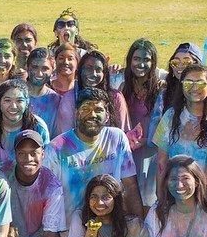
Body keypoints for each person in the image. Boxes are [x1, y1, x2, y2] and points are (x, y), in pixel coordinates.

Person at [43, 88, 143, 219]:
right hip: (70, 229)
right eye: (85, 109)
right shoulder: (56, 148)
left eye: (98, 110)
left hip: (111, 224)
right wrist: (54, 236)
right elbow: (49, 198)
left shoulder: (116, 138)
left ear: (107, 116)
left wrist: (139, 223)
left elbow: (130, 185)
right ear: (76, 113)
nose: (92, 115)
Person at [154, 64, 207, 199]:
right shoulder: (170, 115)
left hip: (204, 197)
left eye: (200, 83)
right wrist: (161, 196)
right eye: (188, 82)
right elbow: (162, 162)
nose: (194, 87)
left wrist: (200, 203)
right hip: (173, 192)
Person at [119, 39, 164, 208]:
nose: (141, 64)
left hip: (152, 152)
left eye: (146, 59)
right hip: (129, 152)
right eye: (137, 59)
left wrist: (148, 141)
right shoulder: (124, 87)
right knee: (127, 198)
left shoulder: (160, 89)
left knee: (148, 199)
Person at [0, 79, 50, 167]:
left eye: (19, 101)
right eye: (7, 100)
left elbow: (46, 162)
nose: (13, 106)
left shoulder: (38, 127)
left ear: (27, 103)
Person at [76, 49, 130, 132]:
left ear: (104, 73)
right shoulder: (71, 97)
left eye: (98, 70)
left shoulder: (115, 97)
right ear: (80, 71)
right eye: (88, 68)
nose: (93, 74)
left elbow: (123, 132)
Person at [24, 47, 61, 138]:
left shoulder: (57, 101)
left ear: (53, 71)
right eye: (35, 67)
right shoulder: (15, 93)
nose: (39, 73)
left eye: (45, 68)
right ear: (27, 67)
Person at [52, 43, 81, 135]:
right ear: (55, 62)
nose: (65, 62)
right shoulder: (47, 87)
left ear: (77, 63)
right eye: (61, 58)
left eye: (70, 59)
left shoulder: (80, 90)